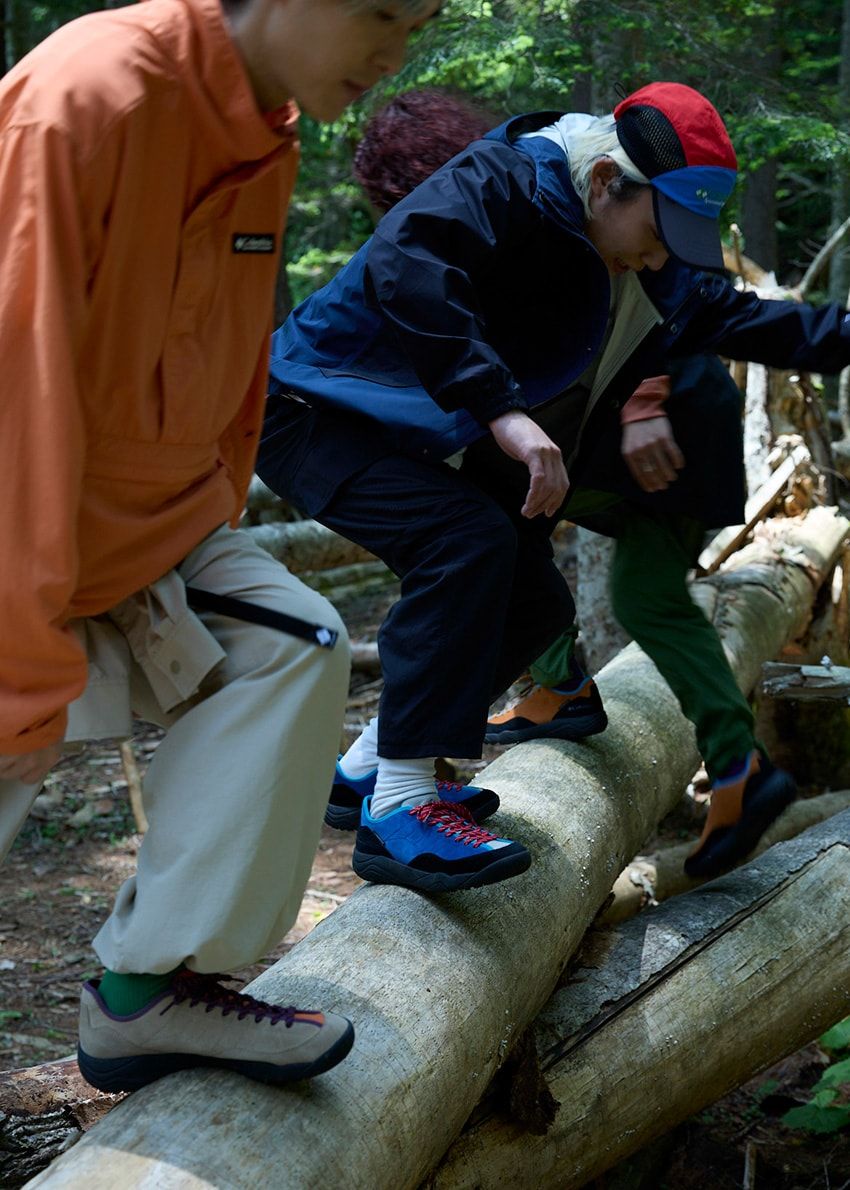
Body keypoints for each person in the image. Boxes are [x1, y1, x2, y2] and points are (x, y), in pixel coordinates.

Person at [257, 82, 850, 895]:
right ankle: (397, 811)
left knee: (534, 602)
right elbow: (407, 264)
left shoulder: (656, 269)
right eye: (655, 230)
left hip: (391, 428)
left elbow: (770, 325)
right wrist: (502, 411)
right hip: (311, 405)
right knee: (463, 542)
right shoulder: (505, 178)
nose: (658, 255)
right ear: (606, 180)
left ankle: (363, 773)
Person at [0, 0, 440, 1093]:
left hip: (147, 527)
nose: (394, 51)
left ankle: (152, 990)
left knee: (293, 640)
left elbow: (226, 370)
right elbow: (18, 388)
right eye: (381, 11)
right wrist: (21, 646)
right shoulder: (91, 97)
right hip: (22, 520)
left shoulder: (265, 129)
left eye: (419, 24)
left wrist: (205, 519)